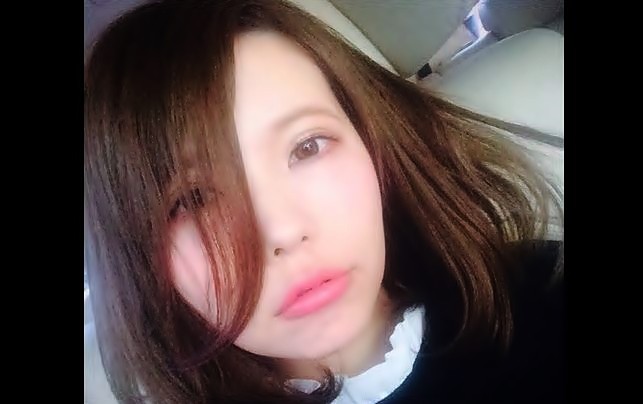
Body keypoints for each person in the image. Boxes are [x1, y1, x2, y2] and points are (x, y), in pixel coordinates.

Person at [84, 0, 564, 403]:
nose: (283, 231)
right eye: (194, 199)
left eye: (307, 147)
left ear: (372, 144)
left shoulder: (537, 300)